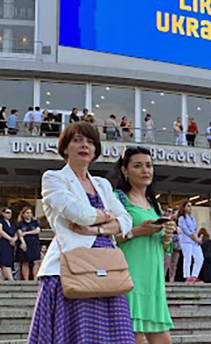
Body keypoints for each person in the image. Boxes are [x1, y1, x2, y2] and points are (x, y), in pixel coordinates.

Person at [27, 120, 134, 343]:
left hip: (107, 267)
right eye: (77, 140)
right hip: (71, 265)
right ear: (65, 147)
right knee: (76, 335)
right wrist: (106, 215)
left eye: (89, 141)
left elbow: (126, 221)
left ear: (95, 149)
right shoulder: (53, 178)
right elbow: (79, 213)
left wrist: (99, 228)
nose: (84, 145)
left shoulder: (103, 184)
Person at [110, 145, 175, 344]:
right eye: (137, 166)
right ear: (125, 170)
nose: (145, 170)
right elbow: (109, 237)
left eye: (149, 165)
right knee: (133, 339)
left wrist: (167, 235)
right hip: (130, 280)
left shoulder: (154, 204)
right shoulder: (117, 199)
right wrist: (138, 231)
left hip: (153, 283)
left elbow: (164, 247)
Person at [177, 201, 203, 283]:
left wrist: (196, 238)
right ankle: (187, 276)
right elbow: (186, 230)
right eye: (188, 206)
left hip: (194, 241)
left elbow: (194, 229)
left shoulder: (192, 218)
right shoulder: (181, 218)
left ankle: (194, 275)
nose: (190, 208)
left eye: (191, 206)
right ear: (184, 207)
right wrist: (195, 237)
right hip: (186, 241)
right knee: (187, 258)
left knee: (200, 258)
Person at [16, 207, 41, 281]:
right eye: (27, 213)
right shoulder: (20, 224)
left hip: (34, 243)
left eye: (30, 212)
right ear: (23, 214)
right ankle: (26, 279)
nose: (29, 214)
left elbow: (37, 231)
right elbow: (20, 234)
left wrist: (26, 233)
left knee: (36, 261)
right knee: (25, 262)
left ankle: (35, 278)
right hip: (25, 243)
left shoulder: (35, 222)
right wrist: (23, 243)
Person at [0, 207, 18, 281]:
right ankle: (11, 280)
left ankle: (0, 280)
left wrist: (14, 238)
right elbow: (0, 231)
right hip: (2, 243)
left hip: (10, 245)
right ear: (2, 213)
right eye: (7, 213)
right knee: (5, 262)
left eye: (10, 213)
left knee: (9, 261)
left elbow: (16, 232)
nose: (9, 215)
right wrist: (9, 238)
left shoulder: (12, 223)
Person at [164, 207, 181, 283]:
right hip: (168, 244)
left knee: (174, 263)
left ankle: (172, 279)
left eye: (172, 212)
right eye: (168, 211)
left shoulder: (177, 224)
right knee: (166, 262)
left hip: (176, 245)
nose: (170, 213)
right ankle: (163, 278)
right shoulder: (165, 222)